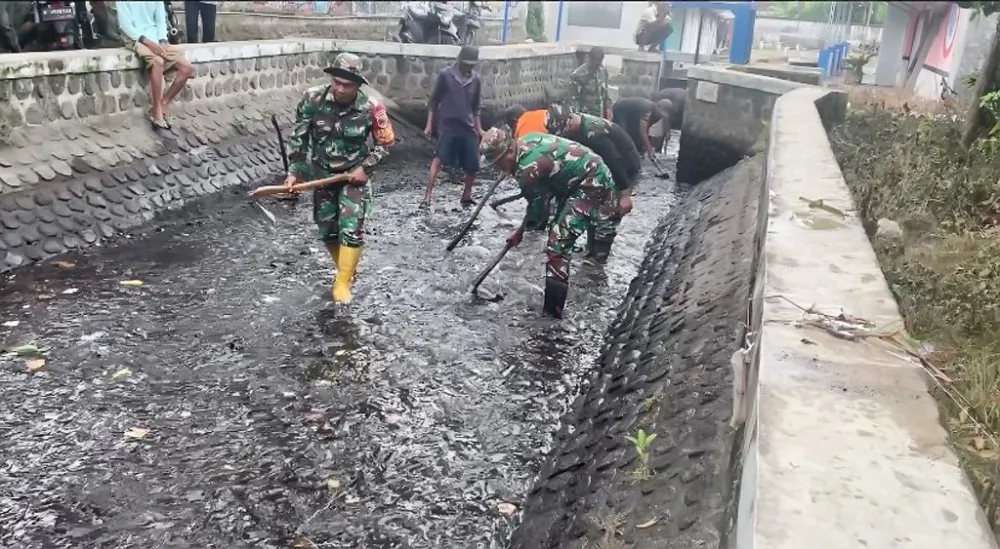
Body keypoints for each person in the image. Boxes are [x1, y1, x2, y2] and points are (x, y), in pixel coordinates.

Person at [479, 127, 629, 318]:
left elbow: (539, 213)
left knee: (557, 246)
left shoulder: (527, 170)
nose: (498, 168)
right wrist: (521, 230)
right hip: (580, 176)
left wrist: (523, 230)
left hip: (590, 183)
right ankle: (593, 272)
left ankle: (552, 314)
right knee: (567, 234)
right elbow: (540, 199)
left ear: (509, 151)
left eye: (498, 162)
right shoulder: (526, 140)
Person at [284, 53, 396, 304]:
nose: (341, 89)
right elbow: (299, 138)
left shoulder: (372, 107)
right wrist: (294, 173)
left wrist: (366, 168)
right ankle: (348, 269)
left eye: (348, 85)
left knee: (351, 228)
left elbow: (386, 143)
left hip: (353, 176)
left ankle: (343, 284)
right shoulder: (312, 99)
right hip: (322, 175)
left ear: (358, 85)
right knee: (327, 230)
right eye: (336, 82)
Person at [545, 104, 640, 263]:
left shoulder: (594, 134)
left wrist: (624, 194)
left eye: (564, 130)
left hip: (623, 166)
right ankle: (590, 252)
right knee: (593, 206)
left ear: (569, 120)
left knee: (608, 213)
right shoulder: (575, 126)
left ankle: (599, 259)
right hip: (600, 167)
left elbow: (614, 163)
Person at [117, 0, 195, 130]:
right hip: (135, 39)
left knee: (187, 68)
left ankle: (163, 103)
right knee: (158, 61)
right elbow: (126, 26)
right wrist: (148, 43)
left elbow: (160, 21)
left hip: (156, 39)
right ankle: (157, 111)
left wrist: (163, 41)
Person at [423, 45, 484, 208]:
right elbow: (434, 101)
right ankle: (427, 196)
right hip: (448, 126)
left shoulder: (476, 80)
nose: (468, 67)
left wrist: (479, 129)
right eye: (465, 64)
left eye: (471, 65)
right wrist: (429, 124)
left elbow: (476, 107)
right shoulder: (446, 75)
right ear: (459, 60)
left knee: (473, 164)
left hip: (468, 127)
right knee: (439, 159)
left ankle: (467, 195)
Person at [612, 96, 671, 160]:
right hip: (620, 109)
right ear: (658, 106)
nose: (661, 115)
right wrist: (649, 149)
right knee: (623, 134)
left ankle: (636, 153)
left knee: (635, 134)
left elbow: (646, 128)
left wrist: (645, 145)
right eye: (661, 113)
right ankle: (620, 155)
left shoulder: (657, 114)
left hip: (632, 113)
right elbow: (643, 131)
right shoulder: (647, 108)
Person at [570, 47, 612, 119]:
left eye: (599, 62)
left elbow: (606, 95)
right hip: (585, 118)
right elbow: (573, 99)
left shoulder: (603, 71)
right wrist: (577, 117)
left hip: (600, 117)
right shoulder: (578, 75)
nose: (596, 65)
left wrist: (608, 110)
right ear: (589, 58)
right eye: (595, 62)